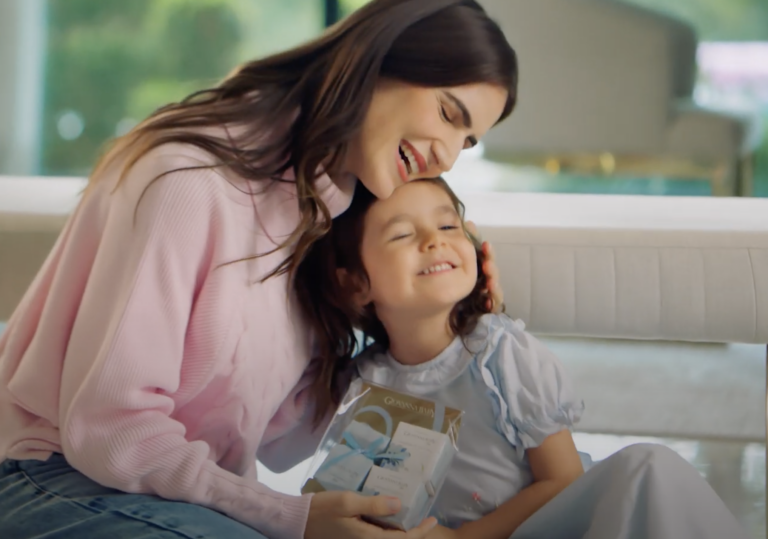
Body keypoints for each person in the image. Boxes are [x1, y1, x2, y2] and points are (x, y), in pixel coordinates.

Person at [0, 1, 517, 538]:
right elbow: (111, 430)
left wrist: (438, 332)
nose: (449, 157)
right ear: (378, 62)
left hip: (177, 500)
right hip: (51, 474)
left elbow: (285, 436)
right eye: (448, 115)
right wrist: (287, 518)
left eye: (468, 140)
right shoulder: (187, 179)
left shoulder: (323, 210)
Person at [294, 177, 750, 539]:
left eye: (449, 225)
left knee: (649, 468)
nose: (435, 241)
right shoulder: (365, 382)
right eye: (402, 234)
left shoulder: (500, 354)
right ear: (354, 284)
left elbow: (562, 479)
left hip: (546, 528)